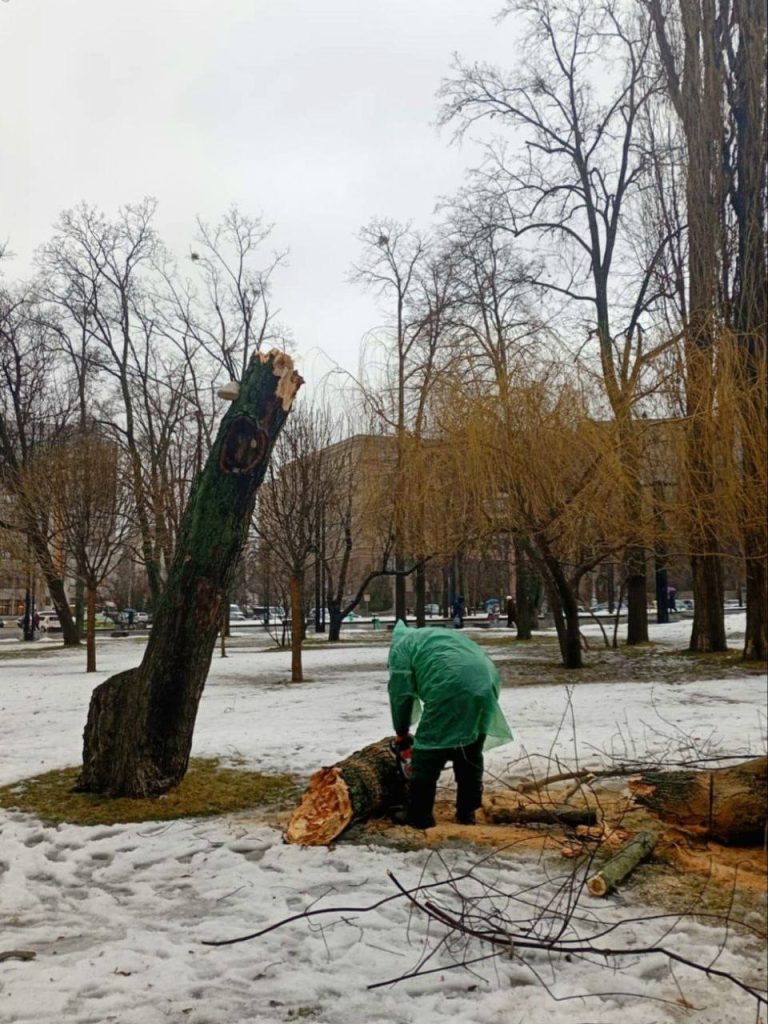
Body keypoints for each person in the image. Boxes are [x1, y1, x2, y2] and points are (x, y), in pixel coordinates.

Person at [388, 621, 513, 828]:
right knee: (469, 748)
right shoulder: (431, 636)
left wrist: (401, 731)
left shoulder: (401, 649)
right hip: (485, 680)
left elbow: (401, 695)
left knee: (429, 751)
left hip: (450, 684)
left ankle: (419, 816)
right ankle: (467, 812)